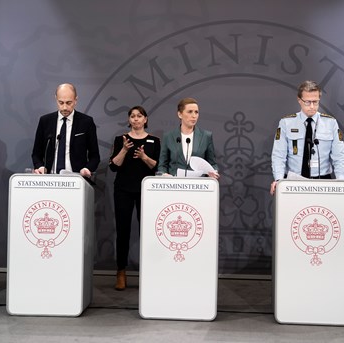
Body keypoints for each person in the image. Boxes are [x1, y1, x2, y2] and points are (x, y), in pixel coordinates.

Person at [109, 106, 160, 290]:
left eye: (140, 116)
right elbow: (114, 166)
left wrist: (144, 157)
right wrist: (124, 150)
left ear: (145, 119)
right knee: (123, 231)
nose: (136, 119)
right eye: (133, 116)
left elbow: (158, 168)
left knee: (147, 233)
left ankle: (148, 272)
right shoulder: (121, 139)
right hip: (123, 190)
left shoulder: (154, 141)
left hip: (146, 191)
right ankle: (121, 272)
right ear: (129, 120)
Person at [270, 80, 344, 195]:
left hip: (323, 182)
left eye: (315, 102)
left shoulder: (330, 123)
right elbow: (279, 155)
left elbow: (339, 156)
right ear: (299, 100)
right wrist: (278, 179)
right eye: (307, 102)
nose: (312, 106)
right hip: (293, 182)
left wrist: (341, 181)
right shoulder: (286, 123)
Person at [31, 83, 100, 178]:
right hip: (49, 179)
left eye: (69, 103)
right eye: (61, 102)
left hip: (76, 179)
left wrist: (87, 169)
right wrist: (39, 166)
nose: (64, 107)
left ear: (76, 100)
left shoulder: (86, 122)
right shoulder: (45, 121)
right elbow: (36, 154)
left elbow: (95, 156)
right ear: (56, 99)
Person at [157, 97, 219, 179]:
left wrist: (215, 172)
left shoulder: (206, 136)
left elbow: (213, 164)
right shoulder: (168, 137)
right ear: (180, 114)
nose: (194, 116)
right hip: (174, 185)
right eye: (190, 112)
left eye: (196, 112)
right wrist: (164, 174)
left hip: (198, 186)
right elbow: (162, 165)